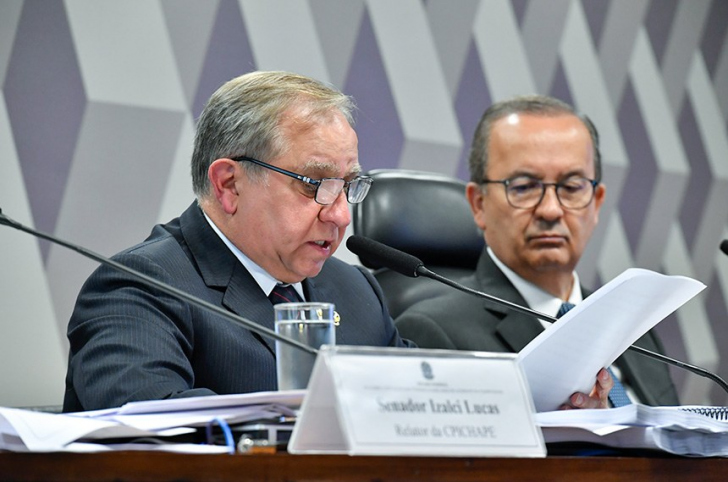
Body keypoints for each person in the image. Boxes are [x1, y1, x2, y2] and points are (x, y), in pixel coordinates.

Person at [63, 71, 413, 412]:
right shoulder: (140, 287)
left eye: (348, 185)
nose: (340, 216)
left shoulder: (355, 290)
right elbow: (154, 428)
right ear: (229, 185)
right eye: (313, 183)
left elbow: (416, 408)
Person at [395, 95, 679, 409]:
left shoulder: (633, 327)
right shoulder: (433, 333)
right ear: (479, 204)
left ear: (597, 202)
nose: (550, 210)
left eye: (571, 187)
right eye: (524, 186)